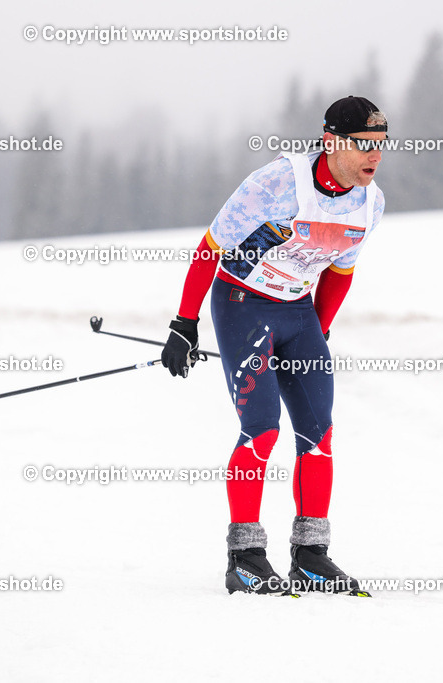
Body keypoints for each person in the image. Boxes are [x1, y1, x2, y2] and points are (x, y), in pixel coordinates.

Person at [161, 96, 387, 595]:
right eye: (364, 145)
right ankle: (244, 557)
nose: (375, 156)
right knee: (261, 428)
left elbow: (340, 273)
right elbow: (210, 249)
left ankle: (310, 556)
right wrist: (184, 324)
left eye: (381, 145)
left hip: (298, 313)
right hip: (243, 304)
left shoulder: (370, 204)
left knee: (318, 433)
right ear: (331, 142)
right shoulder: (275, 184)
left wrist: (319, 332)